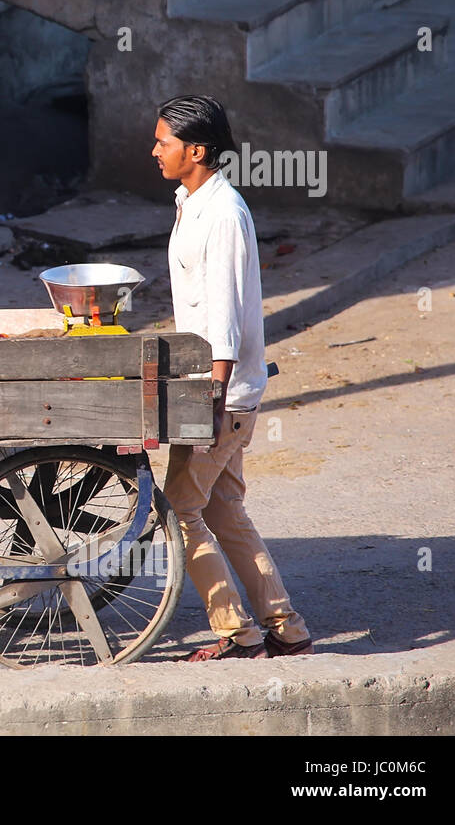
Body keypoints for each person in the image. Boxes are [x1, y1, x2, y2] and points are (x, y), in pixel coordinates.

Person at [151, 95, 313, 662]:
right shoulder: (192, 201)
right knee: (223, 510)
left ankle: (237, 632)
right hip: (219, 386)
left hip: (221, 391)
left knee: (177, 508)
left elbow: (221, 311)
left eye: (163, 142)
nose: (155, 151)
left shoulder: (222, 213)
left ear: (196, 151)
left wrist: (211, 399)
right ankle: (285, 627)